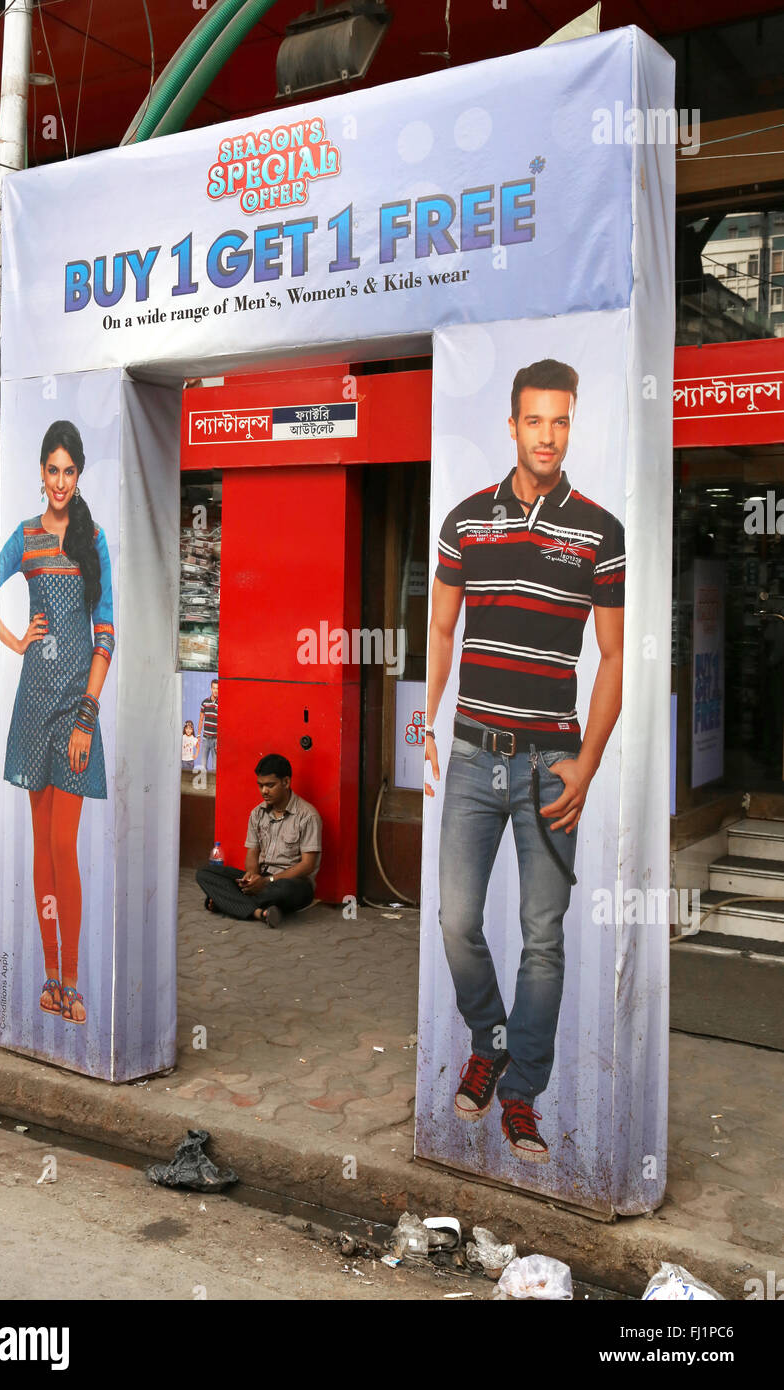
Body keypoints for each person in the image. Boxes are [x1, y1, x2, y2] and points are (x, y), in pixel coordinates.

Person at [425, 359, 624, 1162]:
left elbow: (613, 657)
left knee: (543, 934)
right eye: (534, 420)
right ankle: (490, 1034)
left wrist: (590, 763)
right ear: (512, 425)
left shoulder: (600, 533)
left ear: (571, 424)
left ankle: (521, 1095)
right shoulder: (466, 521)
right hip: (474, 755)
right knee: (456, 920)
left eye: (561, 421)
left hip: (552, 764)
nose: (548, 435)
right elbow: (441, 631)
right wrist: (428, 722)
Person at [0, 419, 115, 1028]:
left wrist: (87, 718)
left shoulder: (91, 541)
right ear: (41, 473)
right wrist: (17, 640)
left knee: (64, 845)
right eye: (53, 470)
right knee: (42, 847)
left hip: (76, 710)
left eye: (70, 471)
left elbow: (107, 635)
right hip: (33, 705)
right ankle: (48, 978)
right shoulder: (24, 537)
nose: (61, 481)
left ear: (79, 475)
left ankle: (73, 979)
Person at [195, 754, 321, 928]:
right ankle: (259, 912)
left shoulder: (308, 816)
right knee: (205, 873)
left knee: (286, 890)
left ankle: (226, 902)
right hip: (262, 880)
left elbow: (308, 865)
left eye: (270, 785)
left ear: (286, 782)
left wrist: (267, 882)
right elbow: (252, 853)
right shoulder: (257, 813)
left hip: (291, 884)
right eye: (260, 786)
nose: (264, 791)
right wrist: (252, 877)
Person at [197, 678, 218, 772]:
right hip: (205, 739)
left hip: (215, 740)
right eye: (214, 688)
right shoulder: (204, 703)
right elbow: (201, 720)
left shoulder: (222, 703)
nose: (216, 690)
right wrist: (198, 736)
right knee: (203, 767)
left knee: (215, 768)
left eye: (218, 688)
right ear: (211, 688)